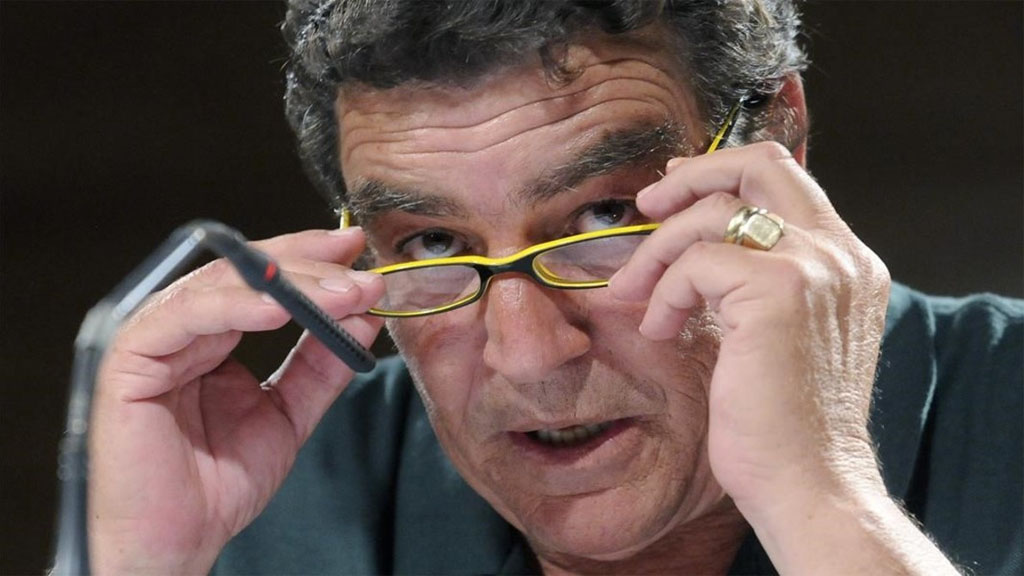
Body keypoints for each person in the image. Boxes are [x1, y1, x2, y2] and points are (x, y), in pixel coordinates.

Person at [88, 1, 1022, 574]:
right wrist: (135, 567)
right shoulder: (287, 486)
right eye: (434, 240)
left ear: (779, 142)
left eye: (604, 218)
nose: (530, 356)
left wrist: (825, 503)